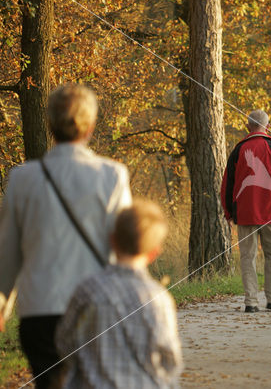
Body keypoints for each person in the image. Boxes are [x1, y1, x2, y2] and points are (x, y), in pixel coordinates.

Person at [0, 84, 132, 388]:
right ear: (91, 125)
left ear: (49, 123)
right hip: (96, 309)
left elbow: (7, 252)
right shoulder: (112, 175)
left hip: (41, 310)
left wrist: (3, 303)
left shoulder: (22, 179)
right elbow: (123, 248)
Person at [55, 200, 182, 388]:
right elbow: (169, 358)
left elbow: (64, 342)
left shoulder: (88, 289)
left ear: (112, 240)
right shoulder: (159, 298)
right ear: (154, 252)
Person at [221, 110, 271, 313]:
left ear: (247, 126)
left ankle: (251, 302)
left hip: (245, 213)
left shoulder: (238, 150)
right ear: (267, 127)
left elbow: (227, 185)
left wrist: (228, 213)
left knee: (247, 257)